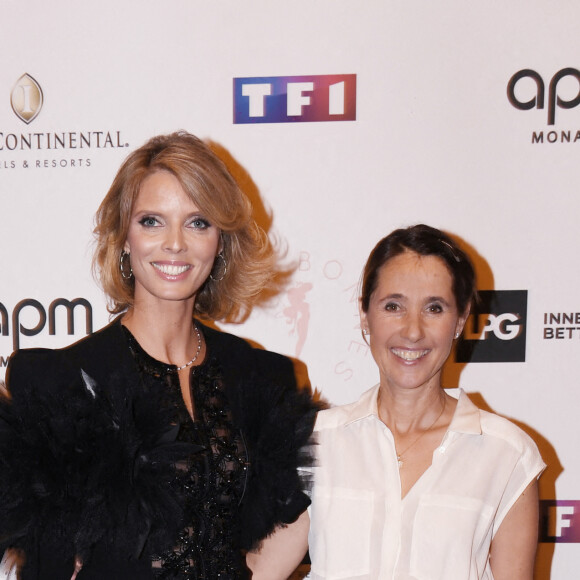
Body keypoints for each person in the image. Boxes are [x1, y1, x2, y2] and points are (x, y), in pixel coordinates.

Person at [0, 131, 318, 579]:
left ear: (221, 242)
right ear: (124, 237)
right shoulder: (59, 383)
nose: (174, 243)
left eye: (198, 222)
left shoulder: (263, 378)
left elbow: (291, 515)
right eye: (152, 221)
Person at [249, 224, 545, 580]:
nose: (413, 330)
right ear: (365, 314)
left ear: (460, 320)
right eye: (393, 306)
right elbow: (259, 573)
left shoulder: (507, 454)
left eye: (434, 308)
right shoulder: (314, 442)